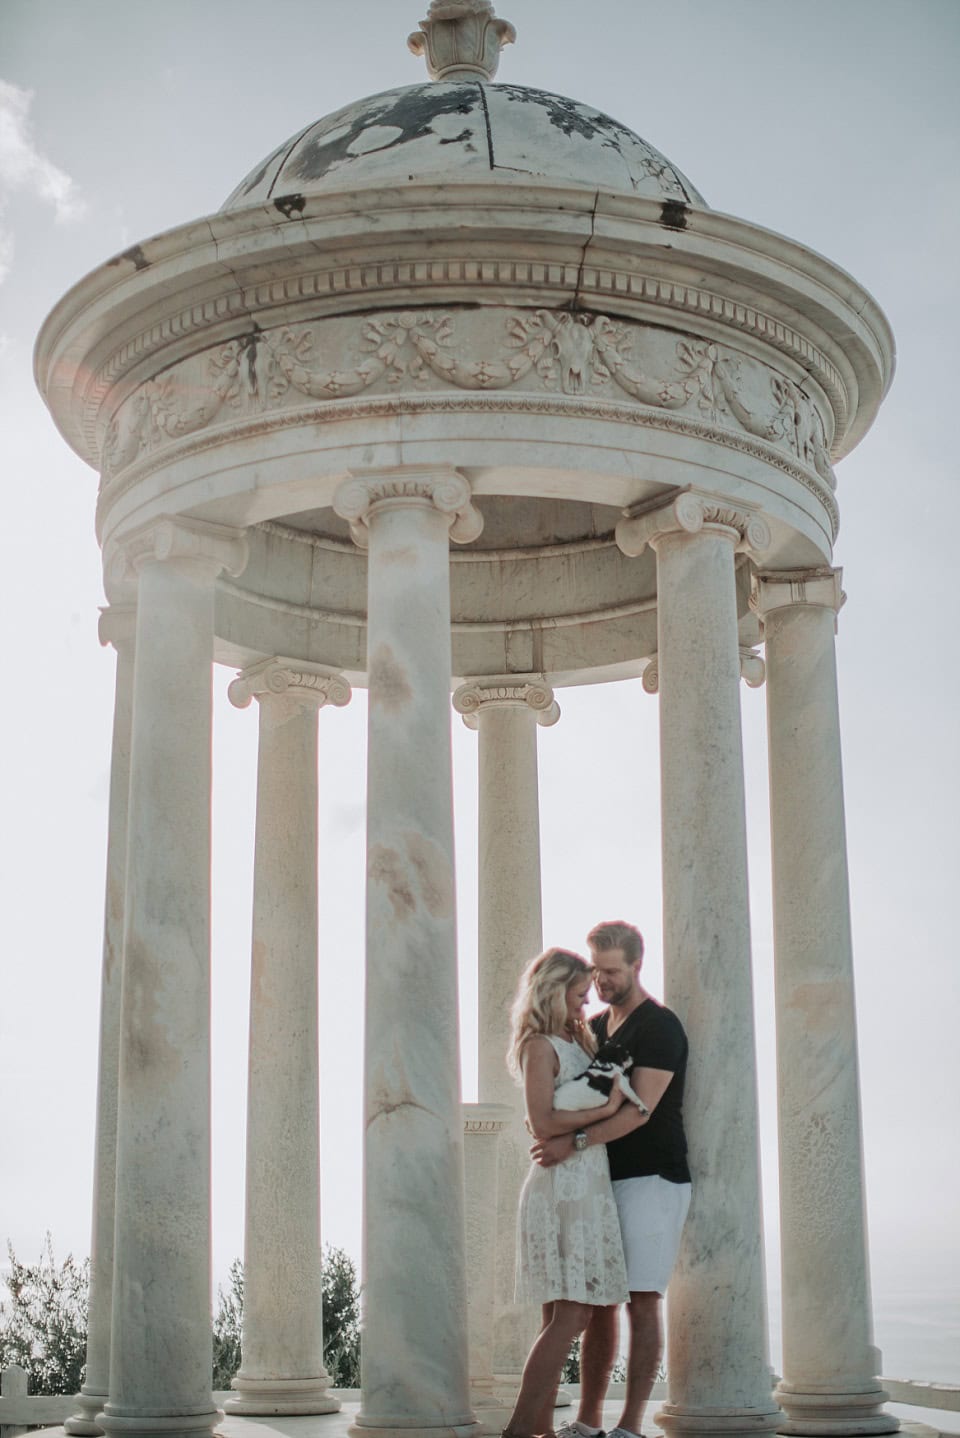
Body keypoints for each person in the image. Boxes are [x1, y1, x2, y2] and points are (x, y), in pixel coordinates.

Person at [533, 921, 691, 1438]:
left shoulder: (660, 1026)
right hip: (599, 1179)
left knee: (642, 1300)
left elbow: (638, 1112)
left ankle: (629, 1427)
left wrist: (569, 1143)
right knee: (596, 1298)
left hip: (652, 1178)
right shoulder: (595, 1027)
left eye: (611, 971)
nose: (600, 981)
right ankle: (587, 1420)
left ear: (637, 965)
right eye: (595, 970)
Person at [502, 948, 630, 1438]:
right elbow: (542, 1122)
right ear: (553, 992)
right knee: (573, 1314)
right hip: (561, 1188)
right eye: (578, 996)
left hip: (586, 1182)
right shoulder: (539, 1045)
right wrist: (607, 1109)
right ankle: (516, 1433)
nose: (584, 1006)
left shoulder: (577, 1038)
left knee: (558, 1316)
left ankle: (542, 1432)